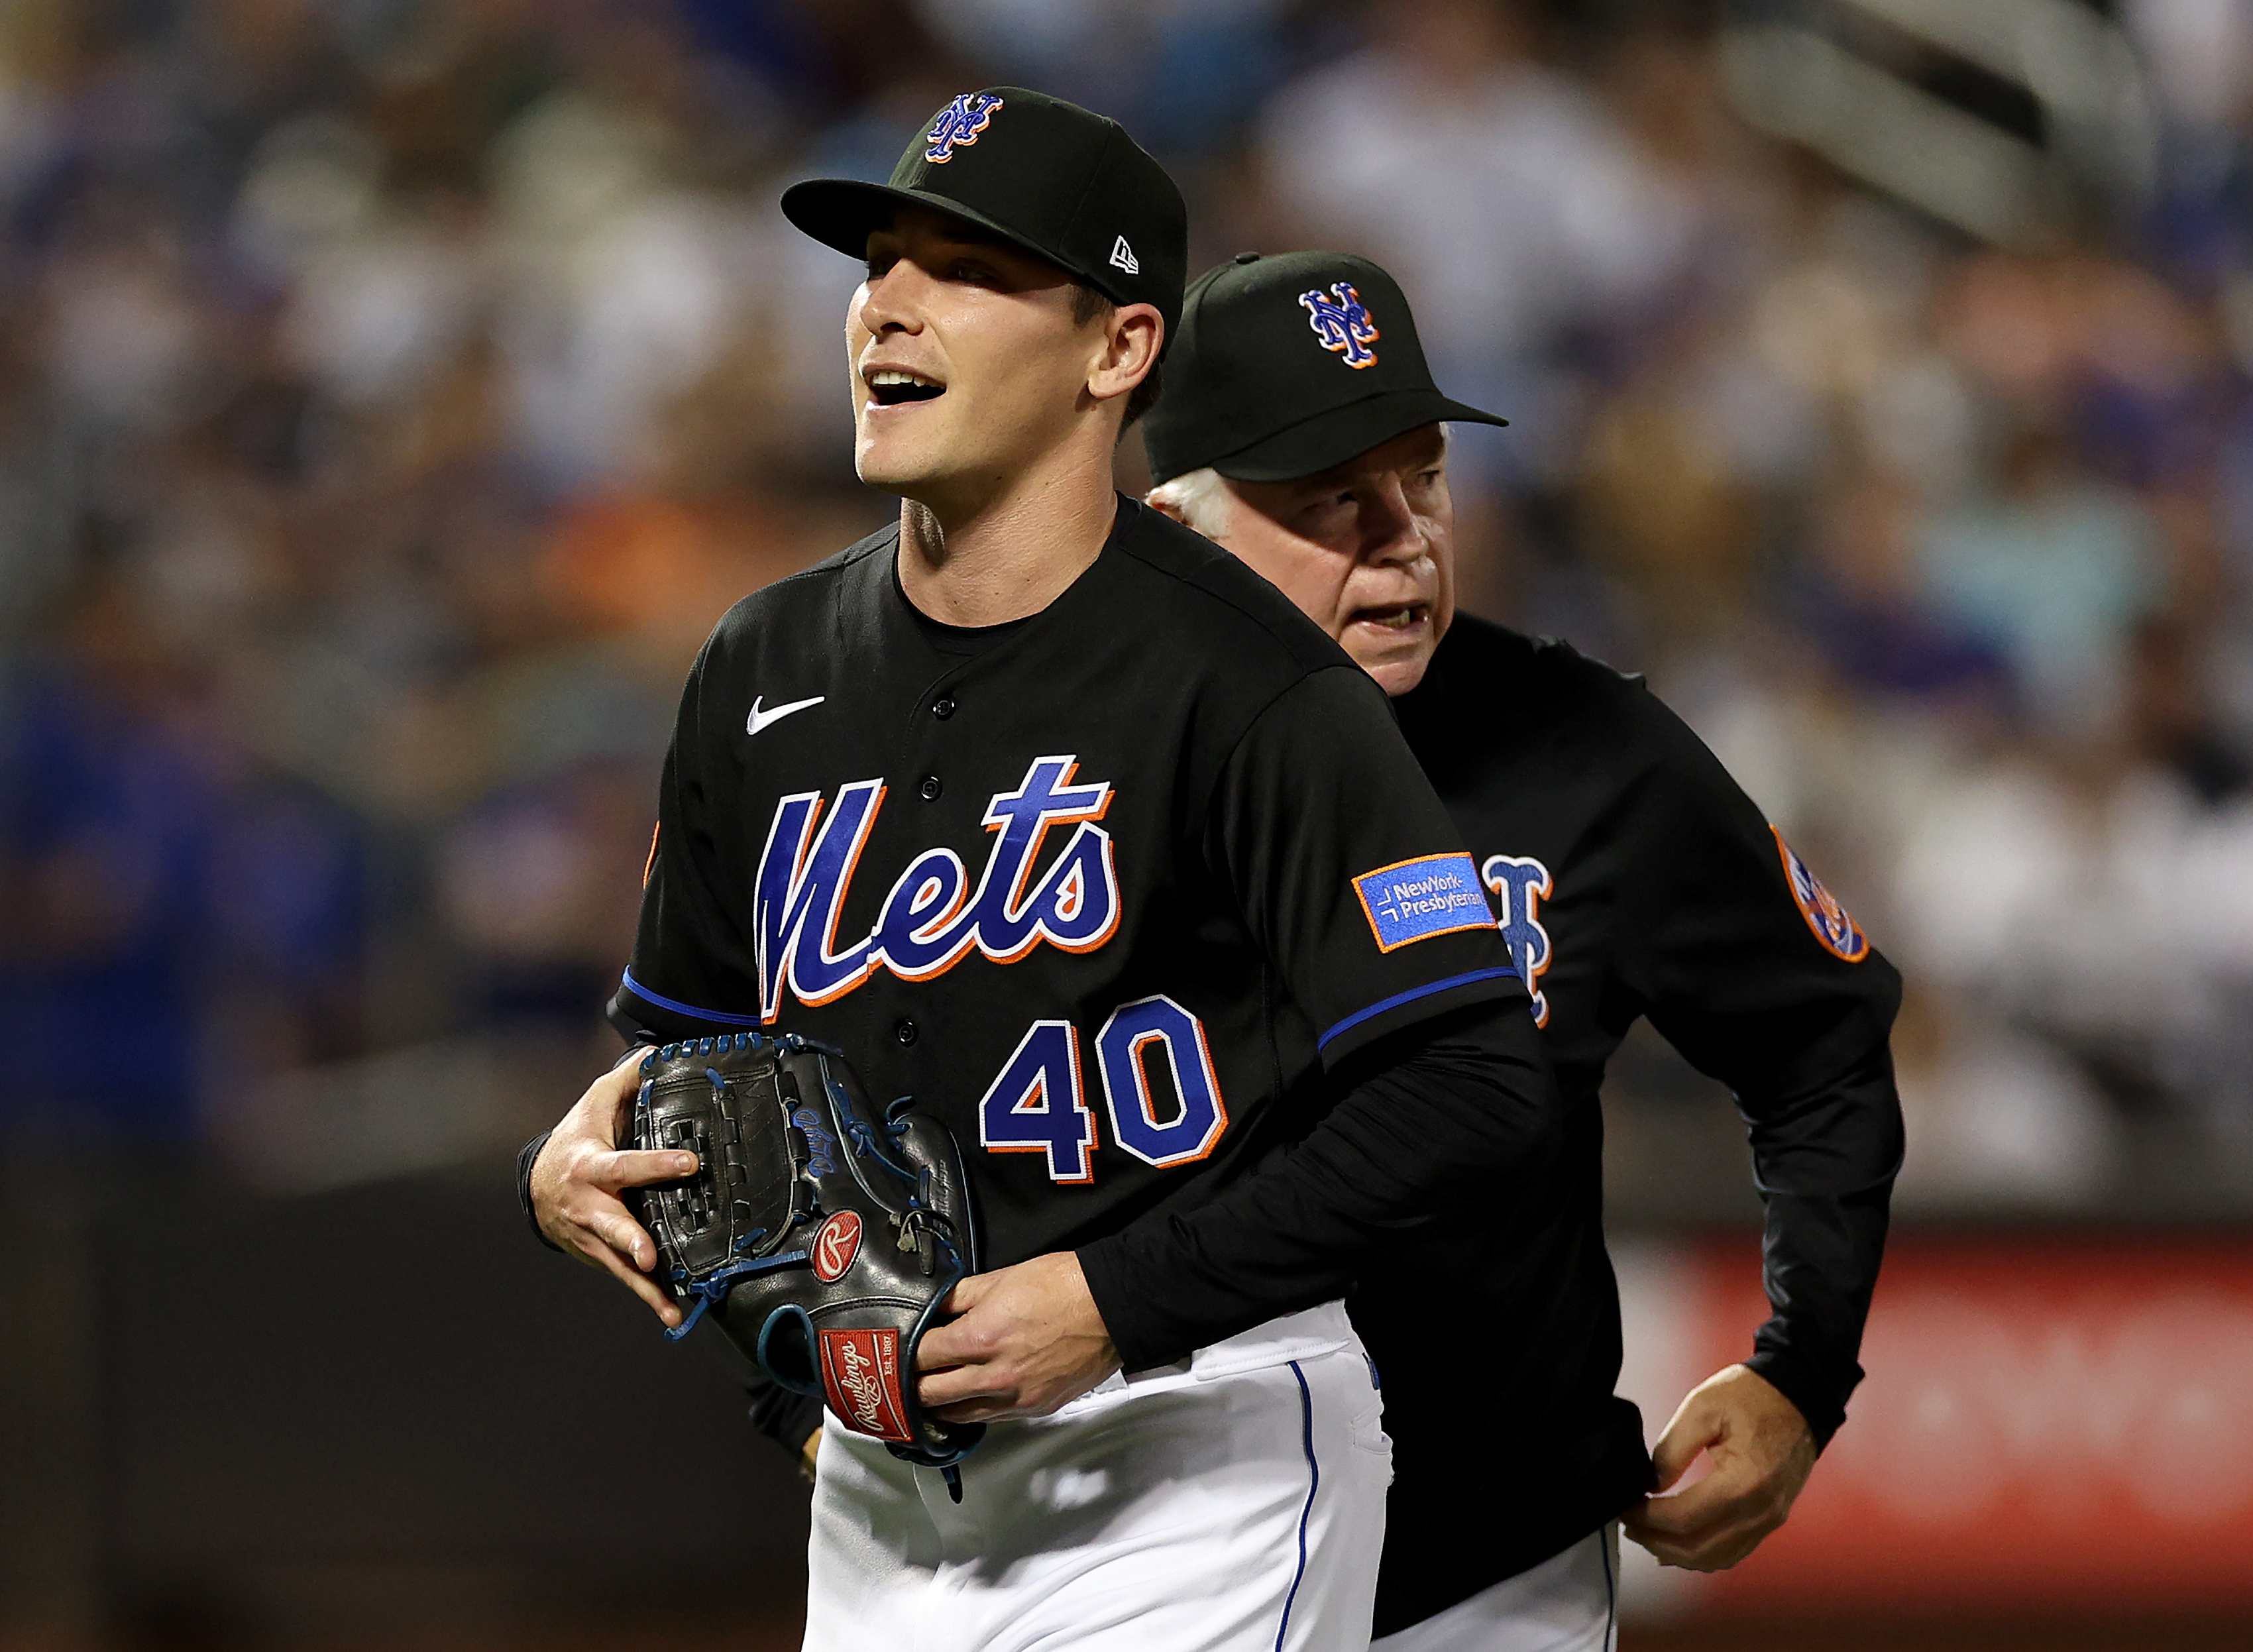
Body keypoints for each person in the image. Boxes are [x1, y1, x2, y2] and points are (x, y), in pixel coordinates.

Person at [520, 95, 1563, 1652]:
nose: (890, 301)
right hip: (880, 1484)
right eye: (881, 261)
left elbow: (1473, 1082)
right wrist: (601, 1183)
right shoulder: (762, 662)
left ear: (1117, 349)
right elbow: (690, 1060)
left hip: (1193, 1450)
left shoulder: (1254, 684)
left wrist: (1118, 1298)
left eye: (969, 267)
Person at [1140, 251, 1903, 1651]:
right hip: (1135, 1538)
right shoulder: (1056, 763)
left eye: (1422, 477)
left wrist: (1801, 1367)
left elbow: (1820, 1041)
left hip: (1483, 1573)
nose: (1403, 535)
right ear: (1177, 525)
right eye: (1327, 498)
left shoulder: (1584, 751)